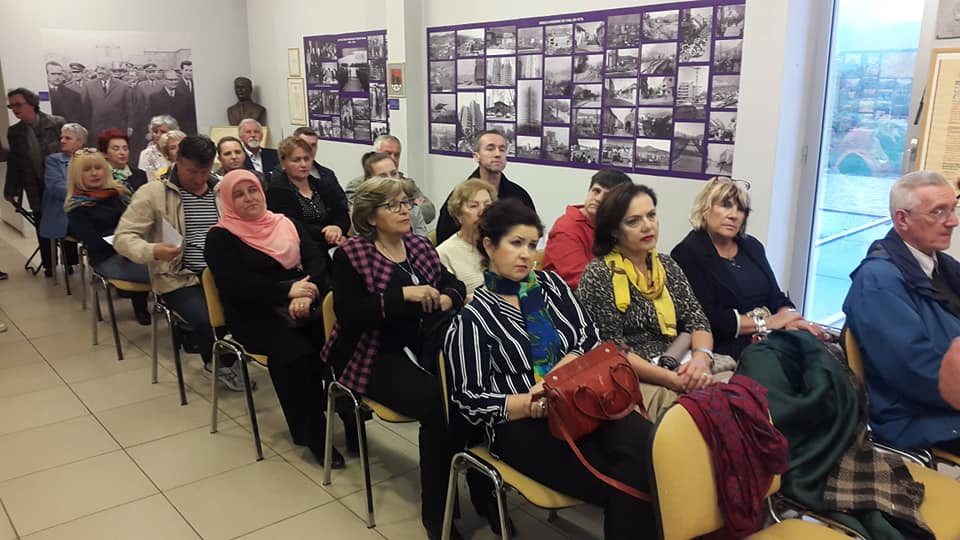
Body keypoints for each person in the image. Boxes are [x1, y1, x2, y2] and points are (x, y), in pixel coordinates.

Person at [445, 198, 656, 540]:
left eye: (532, 245)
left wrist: (559, 378)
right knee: (622, 481)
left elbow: (588, 336)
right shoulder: (473, 319)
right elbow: (468, 400)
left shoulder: (551, 287)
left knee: (650, 451)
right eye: (516, 243)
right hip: (522, 424)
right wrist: (531, 403)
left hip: (582, 399)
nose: (526, 255)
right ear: (489, 245)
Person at [319, 177, 466, 540]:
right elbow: (351, 314)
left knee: (470, 390)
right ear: (371, 217)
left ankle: (475, 489)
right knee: (438, 406)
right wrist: (405, 296)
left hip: (424, 343)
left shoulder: (418, 245)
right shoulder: (353, 255)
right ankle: (438, 515)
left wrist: (446, 298)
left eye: (406, 202)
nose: (405, 210)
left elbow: (454, 284)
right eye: (394, 205)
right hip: (371, 352)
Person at [205, 169, 355, 467]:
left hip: (305, 302)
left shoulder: (285, 223)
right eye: (239, 194)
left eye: (252, 190)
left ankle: (351, 421)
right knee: (298, 354)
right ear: (228, 201)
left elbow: (316, 260)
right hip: (255, 315)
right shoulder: (220, 237)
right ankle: (313, 434)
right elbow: (237, 285)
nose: (249, 198)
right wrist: (287, 291)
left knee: (343, 343)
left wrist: (305, 293)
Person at [114, 135, 253, 392]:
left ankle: (237, 351)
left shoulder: (222, 189)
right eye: (192, 172)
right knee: (207, 317)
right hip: (178, 277)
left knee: (257, 304)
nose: (199, 179)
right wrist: (153, 250)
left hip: (223, 273)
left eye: (205, 171)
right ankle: (218, 363)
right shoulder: (153, 193)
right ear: (177, 161)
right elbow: (123, 238)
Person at [843, 170, 960, 452]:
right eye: (938, 212)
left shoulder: (943, 267)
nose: (952, 221)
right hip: (917, 417)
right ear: (902, 219)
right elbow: (916, 372)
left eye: (953, 209)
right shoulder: (878, 282)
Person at [577, 183, 716, 419]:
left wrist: (701, 361)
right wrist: (672, 380)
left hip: (678, 361)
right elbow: (611, 349)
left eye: (651, 215)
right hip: (632, 375)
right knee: (693, 414)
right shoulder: (599, 274)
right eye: (633, 221)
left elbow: (697, 319)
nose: (647, 226)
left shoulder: (667, 265)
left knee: (737, 397)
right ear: (614, 230)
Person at [671, 177, 822, 359]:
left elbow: (776, 296)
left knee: (818, 350)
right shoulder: (687, 253)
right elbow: (709, 319)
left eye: (741, 209)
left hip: (770, 336)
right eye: (725, 205)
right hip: (727, 346)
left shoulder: (752, 246)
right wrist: (768, 322)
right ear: (705, 210)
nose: (733, 215)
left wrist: (791, 318)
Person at [65, 149, 151, 325]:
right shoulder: (76, 206)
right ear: (77, 175)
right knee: (160, 272)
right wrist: (122, 237)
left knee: (170, 265)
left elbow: (134, 221)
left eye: (98, 168)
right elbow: (93, 242)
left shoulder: (118, 193)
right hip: (106, 257)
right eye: (87, 169)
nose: (94, 173)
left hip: (131, 247)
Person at [435, 129, 535, 245]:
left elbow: (532, 233)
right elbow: (444, 238)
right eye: (490, 149)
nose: (497, 154)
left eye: (502, 149)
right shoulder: (460, 197)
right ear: (476, 156)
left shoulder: (519, 196)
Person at [4, 88, 66, 276]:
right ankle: (49, 265)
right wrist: (10, 190)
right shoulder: (15, 132)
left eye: (18, 104)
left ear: (32, 103)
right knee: (42, 224)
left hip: (59, 185)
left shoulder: (57, 124)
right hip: (34, 185)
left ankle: (70, 262)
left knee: (65, 221)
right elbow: (14, 163)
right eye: (11, 106)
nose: (15, 109)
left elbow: (70, 154)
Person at [542, 169, 633, 289]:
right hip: (570, 294)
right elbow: (581, 280)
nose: (598, 198)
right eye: (596, 191)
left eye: (607, 196)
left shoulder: (615, 227)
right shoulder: (566, 227)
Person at [266, 137, 349, 260]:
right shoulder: (276, 191)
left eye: (307, 158)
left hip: (335, 241)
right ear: (283, 163)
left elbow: (341, 213)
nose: (303, 165)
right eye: (296, 160)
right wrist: (328, 234)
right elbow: (294, 226)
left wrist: (338, 227)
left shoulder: (324, 186)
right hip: (303, 249)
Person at [346, 135, 436, 223]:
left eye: (396, 155)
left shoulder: (407, 183)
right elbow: (359, 219)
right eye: (387, 154)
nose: (392, 158)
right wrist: (414, 208)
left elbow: (429, 211)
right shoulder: (357, 186)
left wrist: (392, 215)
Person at [39, 123, 87, 274]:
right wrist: (87, 193)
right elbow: (56, 188)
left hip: (86, 210)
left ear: (80, 142)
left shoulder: (90, 159)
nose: (62, 141)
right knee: (92, 229)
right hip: (61, 213)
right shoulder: (53, 160)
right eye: (62, 138)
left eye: (68, 138)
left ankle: (101, 269)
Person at [436, 178, 496, 297]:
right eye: (474, 206)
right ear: (458, 215)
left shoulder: (501, 243)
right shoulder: (444, 253)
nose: (482, 212)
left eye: (488, 205)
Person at [347, 152, 429, 236]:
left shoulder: (411, 206)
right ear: (369, 180)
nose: (390, 179)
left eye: (394, 173)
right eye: (383, 176)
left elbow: (424, 239)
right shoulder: (364, 207)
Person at [81, 63, 132, 145]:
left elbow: (129, 109)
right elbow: (85, 110)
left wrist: (129, 126)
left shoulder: (123, 86)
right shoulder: (89, 86)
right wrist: (86, 128)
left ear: (110, 71)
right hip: (96, 130)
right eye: (98, 68)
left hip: (117, 129)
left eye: (103, 68)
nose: (99, 71)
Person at [98, 128, 148, 194]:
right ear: (104, 153)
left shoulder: (141, 175)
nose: (122, 153)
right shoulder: (99, 176)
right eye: (116, 149)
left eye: (125, 149)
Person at [147, 71, 194, 138]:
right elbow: (151, 117)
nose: (174, 82)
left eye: (175, 79)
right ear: (164, 81)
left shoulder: (185, 96)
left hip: (181, 134)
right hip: (163, 135)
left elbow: (190, 117)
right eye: (171, 80)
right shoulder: (154, 97)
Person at [138, 115, 179, 182]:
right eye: (156, 132)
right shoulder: (147, 154)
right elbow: (145, 179)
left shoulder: (178, 150)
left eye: (163, 132)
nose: (158, 135)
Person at [45, 61, 85, 127]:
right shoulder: (40, 92)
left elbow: (78, 120)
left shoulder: (74, 95)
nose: (57, 77)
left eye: (59, 74)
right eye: (53, 74)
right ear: (46, 75)